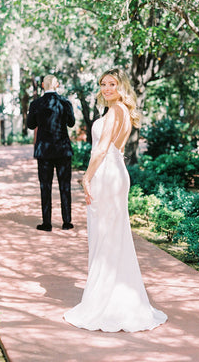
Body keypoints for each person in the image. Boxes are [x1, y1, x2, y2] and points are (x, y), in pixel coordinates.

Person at [64, 68, 167, 332]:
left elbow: (101, 148)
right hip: (117, 172)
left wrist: (86, 178)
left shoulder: (113, 112)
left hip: (107, 174)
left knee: (105, 237)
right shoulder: (124, 112)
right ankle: (118, 296)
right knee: (114, 236)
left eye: (112, 83)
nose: (107, 88)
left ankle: (106, 302)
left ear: (121, 86)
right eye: (103, 84)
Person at [27, 75, 75, 231]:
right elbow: (71, 123)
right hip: (63, 150)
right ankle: (67, 222)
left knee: (45, 186)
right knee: (65, 186)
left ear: (42, 85)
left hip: (44, 151)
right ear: (57, 85)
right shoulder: (65, 103)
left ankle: (47, 223)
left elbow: (30, 125)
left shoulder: (35, 104)